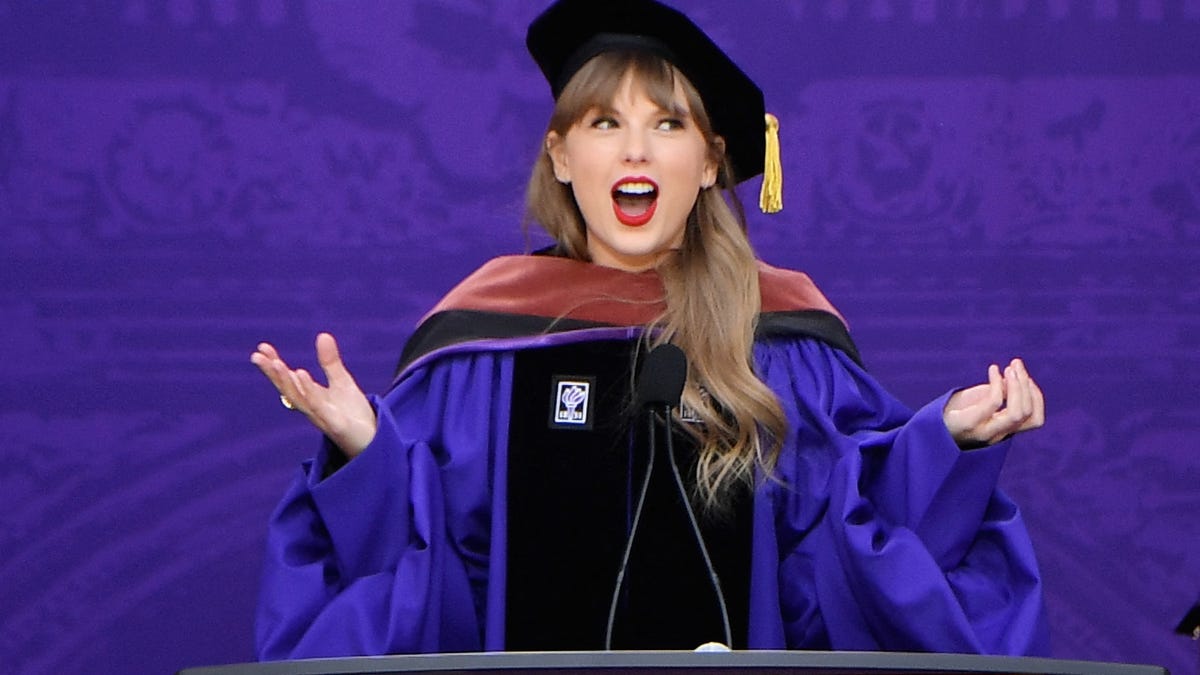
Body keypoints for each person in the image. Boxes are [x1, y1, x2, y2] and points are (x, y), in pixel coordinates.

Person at [250, 0, 1049, 660]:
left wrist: (947, 442)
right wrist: (365, 455)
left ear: (710, 161)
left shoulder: (784, 343)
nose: (635, 149)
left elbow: (838, 550)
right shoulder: (481, 345)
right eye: (604, 122)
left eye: (668, 124)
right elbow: (440, 578)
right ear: (561, 156)